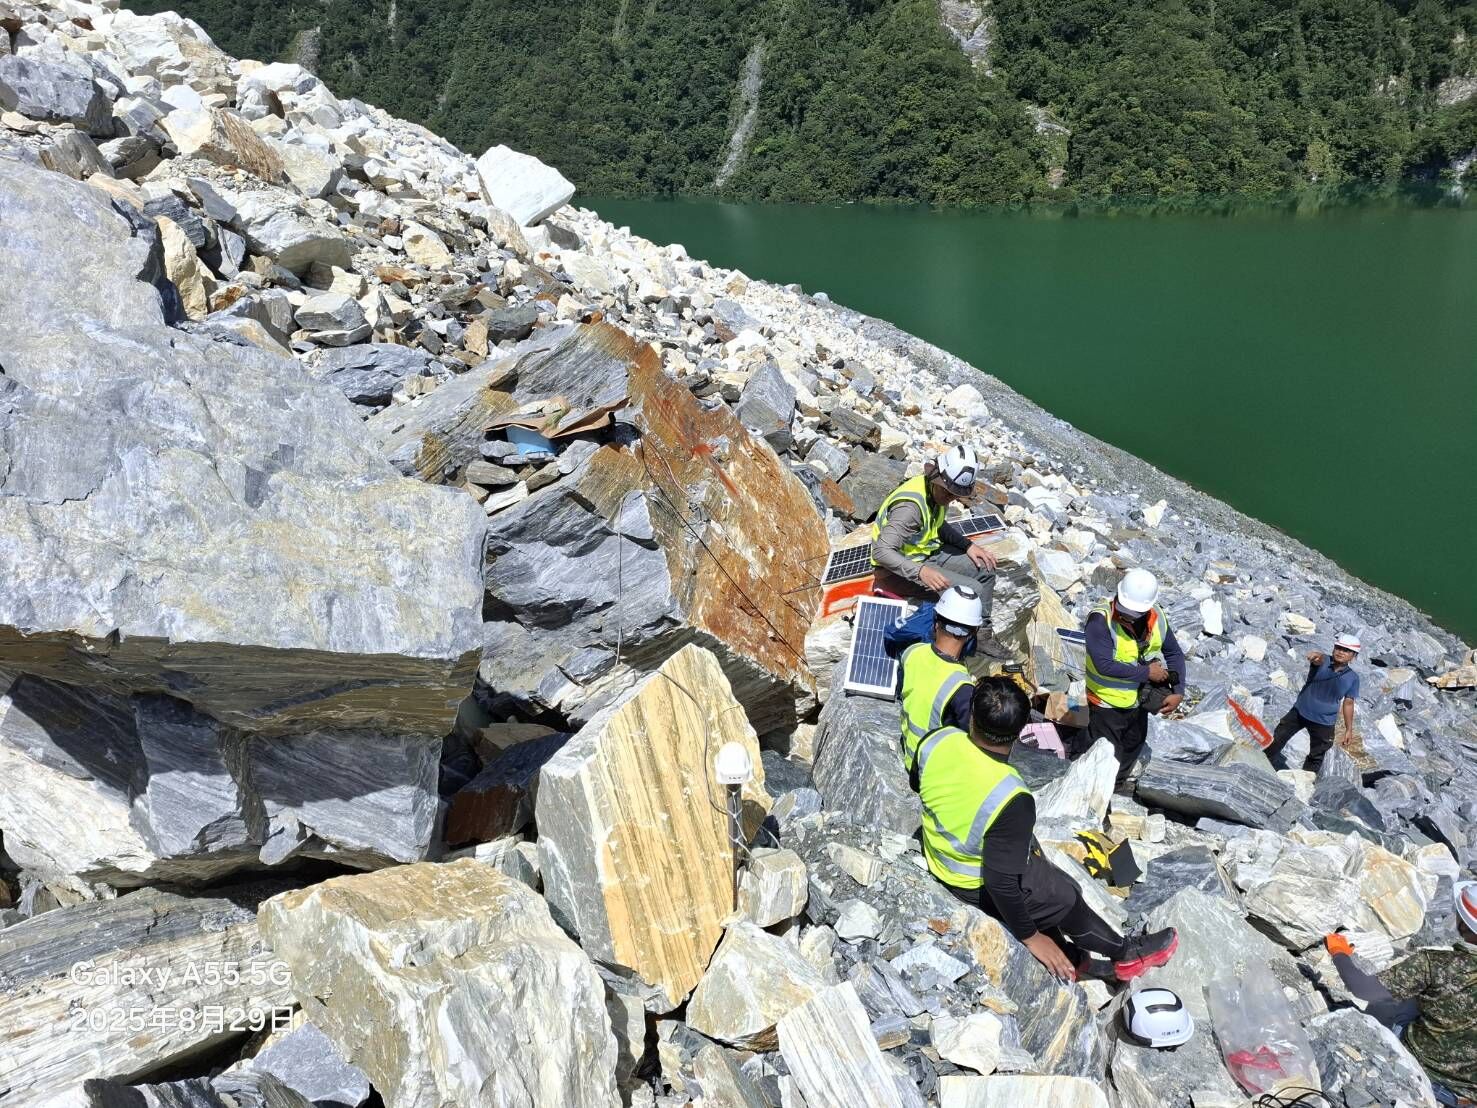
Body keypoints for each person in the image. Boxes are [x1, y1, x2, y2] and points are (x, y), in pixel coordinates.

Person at [916, 676, 1179, 983]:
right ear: (1018, 733)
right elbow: (1000, 883)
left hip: (940, 853)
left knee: (1041, 867)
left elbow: (918, 783)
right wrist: (1030, 937)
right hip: (971, 881)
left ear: (972, 716)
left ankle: (1079, 960)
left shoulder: (937, 740)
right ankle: (1125, 954)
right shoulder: (1010, 795)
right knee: (1065, 895)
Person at [1324, 881, 1477, 1106]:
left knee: (1403, 1000)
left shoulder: (1435, 964)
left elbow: (1363, 989)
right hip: (1471, 1095)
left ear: (1462, 922)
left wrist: (1338, 952)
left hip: (1423, 1072)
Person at [871, 444, 1007, 657]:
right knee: (972, 591)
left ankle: (982, 635)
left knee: (986, 569)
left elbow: (938, 524)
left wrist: (968, 545)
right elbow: (881, 551)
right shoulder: (910, 509)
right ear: (937, 477)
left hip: (926, 555)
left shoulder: (933, 493)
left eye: (955, 494)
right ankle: (958, 643)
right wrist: (921, 572)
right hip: (896, 572)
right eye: (947, 491)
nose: (950, 498)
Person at [1083, 569, 1187, 786]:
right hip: (1106, 703)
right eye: (1124, 608)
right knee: (1104, 753)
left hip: (1139, 700)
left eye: (1134, 612)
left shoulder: (1156, 618)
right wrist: (1148, 672)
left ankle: (1117, 786)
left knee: (1133, 744)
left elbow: (1174, 653)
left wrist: (1178, 691)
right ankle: (1097, 794)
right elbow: (1104, 665)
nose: (1127, 614)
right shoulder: (1100, 621)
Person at [895, 586, 981, 788]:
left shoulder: (912, 652)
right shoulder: (962, 687)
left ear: (935, 622)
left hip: (910, 756)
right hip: (932, 775)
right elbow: (970, 744)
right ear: (972, 633)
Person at [1265, 633, 1361, 774]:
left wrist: (1348, 730)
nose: (1341, 652)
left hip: (1324, 722)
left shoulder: (1353, 678)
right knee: (1276, 739)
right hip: (1299, 712)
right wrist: (1314, 656)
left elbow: (1348, 703)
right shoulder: (1323, 661)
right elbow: (1317, 658)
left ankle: (1305, 780)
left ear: (1353, 656)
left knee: (1317, 755)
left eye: (1346, 650)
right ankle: (1262, 762)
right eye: (1338, 648)